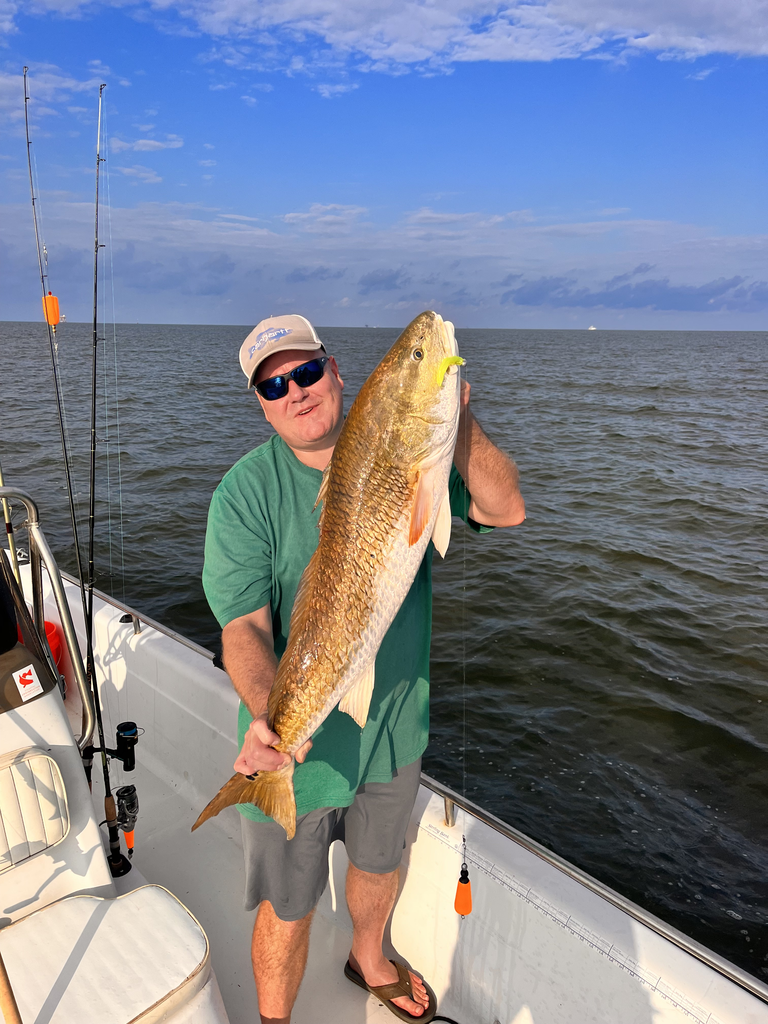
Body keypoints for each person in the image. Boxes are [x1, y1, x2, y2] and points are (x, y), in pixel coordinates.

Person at [202, 313, 525, 1024]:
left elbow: (507, 509)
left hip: (394, 724)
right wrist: (267, 718)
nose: (296, 391)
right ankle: (274, 1019)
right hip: (295, 741)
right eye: (274, 384)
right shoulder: (244, 492)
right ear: (261, 402)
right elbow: (245, 627)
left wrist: (456, 418)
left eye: (307, 371)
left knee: (381, 865)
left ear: (339, 371)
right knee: (288, 906)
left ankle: (368, 957)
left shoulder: (413, 448)